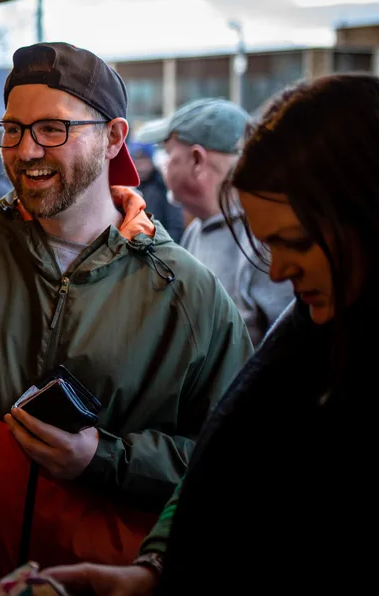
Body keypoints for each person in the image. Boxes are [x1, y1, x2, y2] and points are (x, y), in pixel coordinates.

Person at [0, 42, 252, 593]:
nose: (25, 150)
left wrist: (104, 458)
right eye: (12, 129)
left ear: (113, 137)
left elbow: (234, 461)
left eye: (52, 129)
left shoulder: (189, 294)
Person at [45, 74, 377, 595]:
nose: (277, 273)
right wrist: (154, 571)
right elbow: (226, 457)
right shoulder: (311, 328)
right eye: (268, 245)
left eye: (297, 243)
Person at [140, 98, 293, 346]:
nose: (164, 163)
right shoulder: (198, 229)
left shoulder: (263, 238)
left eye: (169, 153)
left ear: (197, 160)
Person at [128, 141, 184, 240]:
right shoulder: (129, 188)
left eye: (144, 160)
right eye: (137, 161)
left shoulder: (163, 186)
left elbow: (175, 224)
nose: (141, 166)